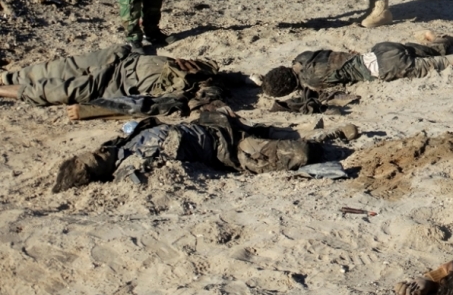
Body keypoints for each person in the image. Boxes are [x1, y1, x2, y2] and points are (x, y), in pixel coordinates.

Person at [51, 107, 360, 193]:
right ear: (99, 174)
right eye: (95, 160)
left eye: (91, 153)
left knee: (266, 131)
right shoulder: (133, 169)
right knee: (298, 154)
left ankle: (321, 131)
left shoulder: (120, 147)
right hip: (232, 149)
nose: (98, 152)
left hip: (214, 123)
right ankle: (327, 139)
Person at [259, 31, 453, 97]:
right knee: (425, 51)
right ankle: (440, 39)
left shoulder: (311, 82)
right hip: (380, 50)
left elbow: (338, 88)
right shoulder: (303, 58)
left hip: (384, 70)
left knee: (446, 64)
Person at [0, 45, 218, 118]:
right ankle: (5, 79)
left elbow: (139, 105)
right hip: (120, 60)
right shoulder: (192, 77)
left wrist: (88, 111)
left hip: (113, 81)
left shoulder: (179, 94)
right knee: (55, 70)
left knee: (57, 88)